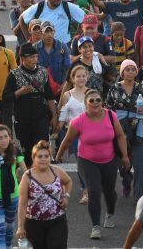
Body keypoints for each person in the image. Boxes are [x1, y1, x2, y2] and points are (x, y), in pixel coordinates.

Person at [55, 89, 129, 240]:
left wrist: (125, 156)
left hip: (110, 160)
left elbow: (120, 135)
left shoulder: (110, 115)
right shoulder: (78, 121)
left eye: (98, 100)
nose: (95, 103)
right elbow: (68, 140)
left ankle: (110, 214)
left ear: (102, 102)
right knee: (94, 191)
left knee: (109, 191)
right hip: (87, 161)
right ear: (85, 104)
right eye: (92, 101)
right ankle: (96, 226)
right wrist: (58, 155)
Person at [105, 60, 143, 201]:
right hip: (120, 128)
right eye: (127, 70)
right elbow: (107, 107)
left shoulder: (142, 88)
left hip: (140, 126)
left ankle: (138, 196)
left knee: (140, 162)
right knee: (123, 160)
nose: (130, 72)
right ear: (122, 72)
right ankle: (126, 180)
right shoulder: (115, 88)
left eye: (133, 69)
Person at [3, 43, 57, 165]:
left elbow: (49, 95)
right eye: (31, 57)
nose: (34, 60)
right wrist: (19, 92)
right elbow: (5, 97)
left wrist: (54, 116)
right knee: (27, 155)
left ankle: (42, 175)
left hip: (41, 120)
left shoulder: (43, 72)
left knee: (41, 151)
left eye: (36, 57)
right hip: (23, 121)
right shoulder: (14, 75)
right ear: (22, 58)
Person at [16, 140, 72, 249]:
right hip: (34, 223)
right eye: (40, 156)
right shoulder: (27, 176)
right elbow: (22, 204)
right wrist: (20, 227)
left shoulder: (56, 171)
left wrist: (66, 196)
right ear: (34, 158)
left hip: (57, 220)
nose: (43, 159)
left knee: (58, 246)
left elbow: (68, 181)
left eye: (46, 156)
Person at [56, 65, 89, 202]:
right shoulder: (67, 95)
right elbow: (63, 116)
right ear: (73, 79)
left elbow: (99, 112)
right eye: (78, 76)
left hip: (91, 133)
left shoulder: (92, 93)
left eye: (83, 76)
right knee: (80, 162)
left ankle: (92, 186)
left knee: (91, 162)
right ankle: (85, 191)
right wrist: (57, 130)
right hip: (74, 134)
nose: (81, 78)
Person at [21, 0, 86, 46]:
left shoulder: (67, 6)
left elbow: (85, 19)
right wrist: (29, 40)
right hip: (44, 48)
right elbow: (22, 19)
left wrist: (76, 39)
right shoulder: (39, 7)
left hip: (64, 46)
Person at [36, 20, 71, 88]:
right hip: (42, 88)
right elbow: (31, 70)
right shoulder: (35, 48)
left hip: (60, 87)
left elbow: (68, 68)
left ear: (54, 32)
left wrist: (64, 85)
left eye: (51, 31)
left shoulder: (62, 46)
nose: (49, 34)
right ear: (41, 33)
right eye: (46, 31)